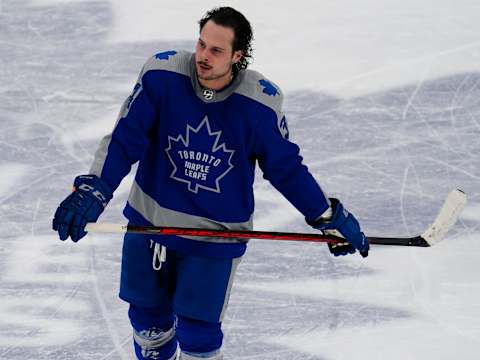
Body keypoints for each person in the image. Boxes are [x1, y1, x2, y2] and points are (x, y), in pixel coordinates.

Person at [52, 6, 369, 360]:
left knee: (198, 333)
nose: (203, 56)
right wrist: (95, 189)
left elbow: (286, 169)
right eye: (201, 44)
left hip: (213, 234)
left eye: (216, 51)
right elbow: (127, 137)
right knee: (147, 321)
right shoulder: (162, 75)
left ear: (238, 56)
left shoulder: (259, 104)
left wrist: (326, 216)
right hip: (150, 223)